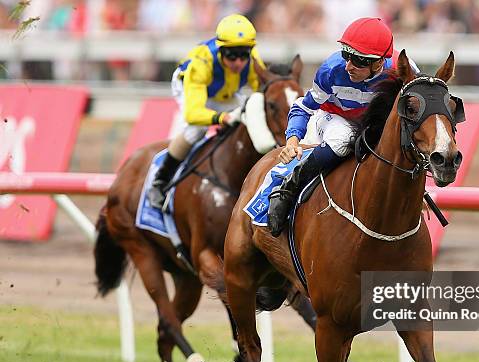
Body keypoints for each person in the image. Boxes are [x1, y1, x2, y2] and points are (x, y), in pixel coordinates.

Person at [267, 17, 419, 236]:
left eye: (357, 60)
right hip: (335, 118)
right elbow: (304, 107)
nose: (348, 65)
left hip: (375, 124)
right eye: (346, 55)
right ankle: (288, 188)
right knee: (344, 138)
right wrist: (292, 140)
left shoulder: (402, 68)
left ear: (378, 63)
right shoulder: (331, 70)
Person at [148, 13, 265, 209]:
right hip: (191, 89)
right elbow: (193, 114)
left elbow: (262, 90)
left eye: (244, 54)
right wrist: (221, 117)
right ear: (220, 51)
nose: (238, 62)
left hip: (225, 93)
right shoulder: (202, 64)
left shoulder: (252, 61)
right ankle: (160, 181)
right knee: (196, 130)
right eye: (231, 55)